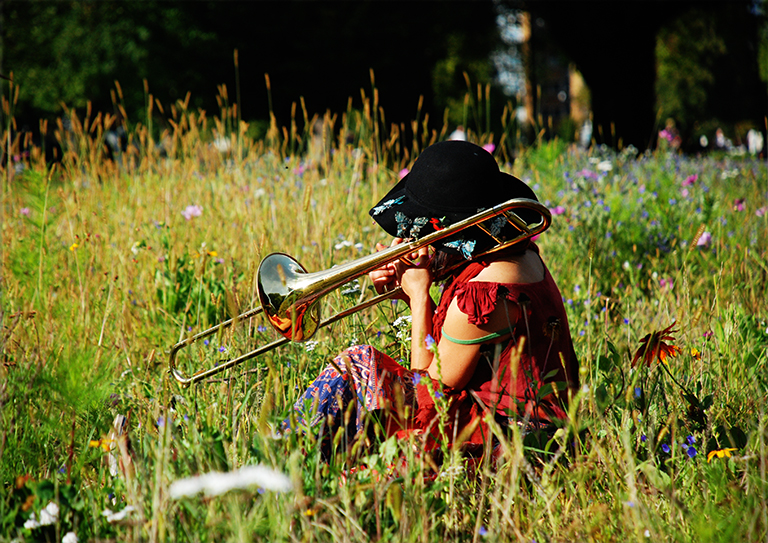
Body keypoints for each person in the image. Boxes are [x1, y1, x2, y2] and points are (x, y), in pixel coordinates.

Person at [281, 141, 579, 460]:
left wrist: (419, 295)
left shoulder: (487, 290)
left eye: (421, 230)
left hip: (512, 446)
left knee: (366, 480)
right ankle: (290, 459)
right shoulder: (507, 254)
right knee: (357, 364)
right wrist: (403, 289)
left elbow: (430, 393)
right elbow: (453, 351)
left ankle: (294, 469)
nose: (410, 240)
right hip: (485, 415)